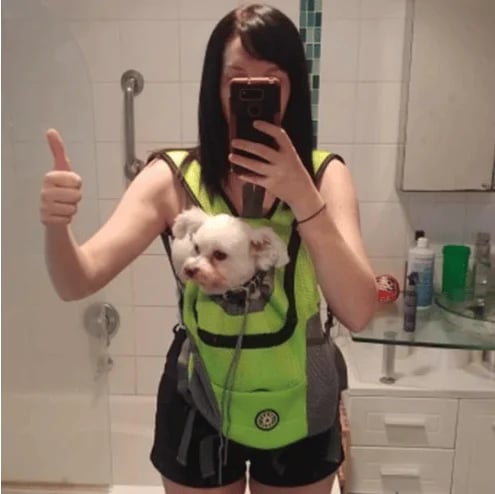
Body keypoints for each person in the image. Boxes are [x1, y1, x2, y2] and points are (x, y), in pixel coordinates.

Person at [40, 4, 376, 493]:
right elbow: (77, 281)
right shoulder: (172, 177)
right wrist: (57, 226)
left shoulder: (326, 177)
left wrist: (304, 197)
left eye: (270, 80)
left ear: (293, 90)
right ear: (215, 89)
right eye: (237, 81)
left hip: (301, 395)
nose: (252, 93)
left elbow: (359, 311)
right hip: (199, 395)